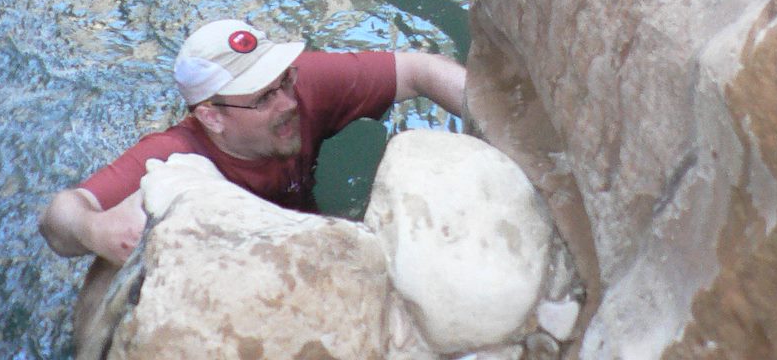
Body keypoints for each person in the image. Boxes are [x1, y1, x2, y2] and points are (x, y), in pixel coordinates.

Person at [38, 17, 468, 266]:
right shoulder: (175, 156)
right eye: (263, 96)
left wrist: (497, 117)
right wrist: (94, 229)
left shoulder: (300, 87)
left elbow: (419, 70)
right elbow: (58, 221)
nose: (286, 104)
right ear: (212, 116)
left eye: (284, 80)